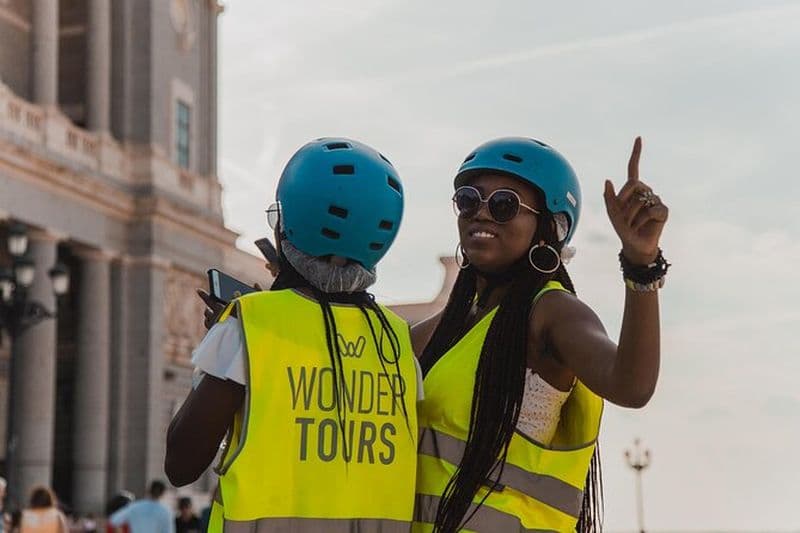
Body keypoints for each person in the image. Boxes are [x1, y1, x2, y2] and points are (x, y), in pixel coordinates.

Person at [411, 137, 669, 532]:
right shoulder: (436, 334)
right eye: (468, 200)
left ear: (550, 227)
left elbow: (632, 385)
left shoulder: (551, 313)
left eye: (503, 205)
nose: (481, 213)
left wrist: (641, 266)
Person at [166, 138, 422, 531]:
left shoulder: (250, 325)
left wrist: (226, 342)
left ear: (287, 227)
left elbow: (181, 464)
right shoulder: (399, 343)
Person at [108, 481, 173, 533]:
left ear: (148, 491)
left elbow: (114, 520)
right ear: (163, 493)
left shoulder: (135, 507)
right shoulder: (166, 511)